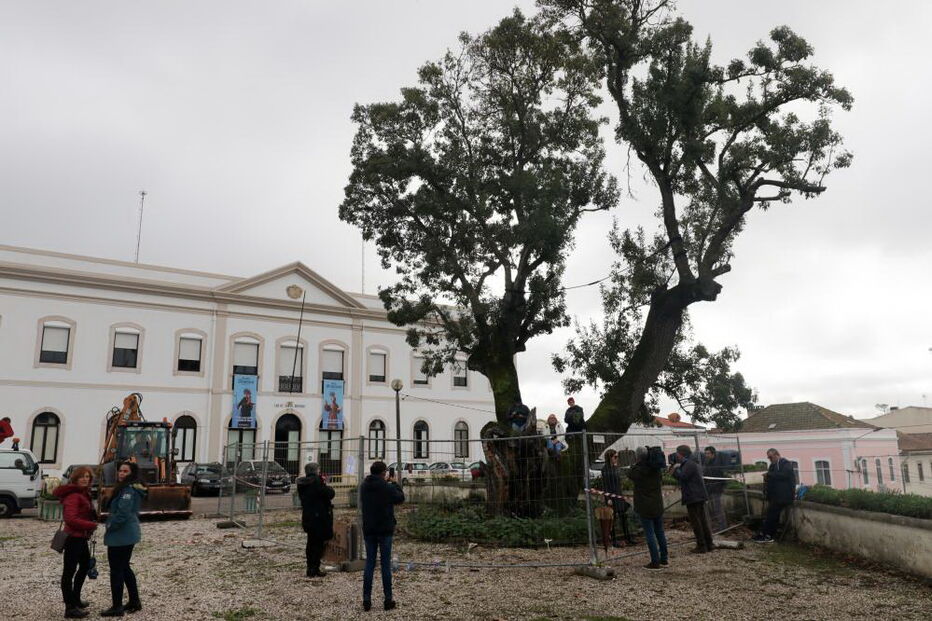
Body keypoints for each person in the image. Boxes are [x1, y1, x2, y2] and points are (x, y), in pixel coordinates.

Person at [101, 461, 147, 617]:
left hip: (122, 535)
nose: (121, 474)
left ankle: (117, 606)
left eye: (125, 471)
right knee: (125, 568)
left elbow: (123, 513)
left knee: (117, 570)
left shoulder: (128, 490)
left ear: (131, 473)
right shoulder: (127, 488)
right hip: (127, 534)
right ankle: (134, 601)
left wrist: (110, 526)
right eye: (120, 471)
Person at [360, 461, 405, 612]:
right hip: (385, 529)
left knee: (370, 564)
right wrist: (395, 483)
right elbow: (400, 498)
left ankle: (366, 599)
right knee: (385, 565)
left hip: (369, 529)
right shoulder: (387, 487)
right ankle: (388, 599)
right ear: (383, 473)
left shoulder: (364, 486)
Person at [54, 466, 98, 618]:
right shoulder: (73, 495)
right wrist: (91, 525)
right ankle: (70, 607)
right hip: (73, 538)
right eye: (82, 476)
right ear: (75, 479)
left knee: (85, 566)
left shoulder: (83, 493)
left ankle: (76, 598)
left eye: (87, 476)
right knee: (69, 572)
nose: (85, 479)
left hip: (81, 537)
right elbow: (70, 519)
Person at [628, 447, 668, 570]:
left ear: (638, 457)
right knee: (660, 532)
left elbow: (629, 474)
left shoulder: (638, 470)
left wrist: (636, 463)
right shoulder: (656, 470)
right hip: (657, 504)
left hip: (644, 506)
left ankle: (654, 561)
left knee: (650, 533)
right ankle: (664, 559)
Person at [670, 445, 714, 554]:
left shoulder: (689, 464)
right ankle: (709, 544)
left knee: (697, 522)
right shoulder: (693, 462)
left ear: (681, 454)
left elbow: (683, 477)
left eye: (677, 454)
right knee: (702, 521)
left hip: (693, 496)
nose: (676, 456)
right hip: (698, 495)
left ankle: (702, 545)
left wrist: (674, 471)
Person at [297, 462, 335, 578]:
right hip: (320, 517)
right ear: (315, 471)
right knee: (318, 543)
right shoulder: (317, 482)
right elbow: (329, 493)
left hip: (308, 516)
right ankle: (315, 567)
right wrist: (327, 485)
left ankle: (310, 568)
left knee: (311, 543)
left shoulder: (302, 483)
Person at [754, 448, 797, 543]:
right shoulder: (773, 466)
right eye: (768, 458)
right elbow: (772, 478)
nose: (770, 459)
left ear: (776, 455)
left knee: (772, 515)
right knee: (770, 515)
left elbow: (783, 475)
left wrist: (769, 475)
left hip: (784, 496)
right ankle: (764, 533)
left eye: (771, 457)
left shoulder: (785, 464)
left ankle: (768, 535)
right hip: (775, 496)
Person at [600, 450, 633, 546]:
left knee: (623, 517)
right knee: (612, 520)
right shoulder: (605, 469)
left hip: (618, 496)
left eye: (617, 456)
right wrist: (608, 498)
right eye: (615, 456)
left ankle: (628, 538)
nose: (616, 458)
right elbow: (605, 485)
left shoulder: (615, 468)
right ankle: (614, 540)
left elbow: (618, 483)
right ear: (609, 458)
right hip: (611, 497)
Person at [703, 447, 727, 532]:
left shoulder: (717, 463)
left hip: (716, 489)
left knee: (718, 508)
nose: (706, 455)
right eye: (705, 453)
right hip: (709, 489)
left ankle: (723, 527)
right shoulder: (707, 463)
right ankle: (717, 526)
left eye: (708, 453)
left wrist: (718, 487)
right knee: (713, 509)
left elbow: (720, 478)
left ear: (713, 454)